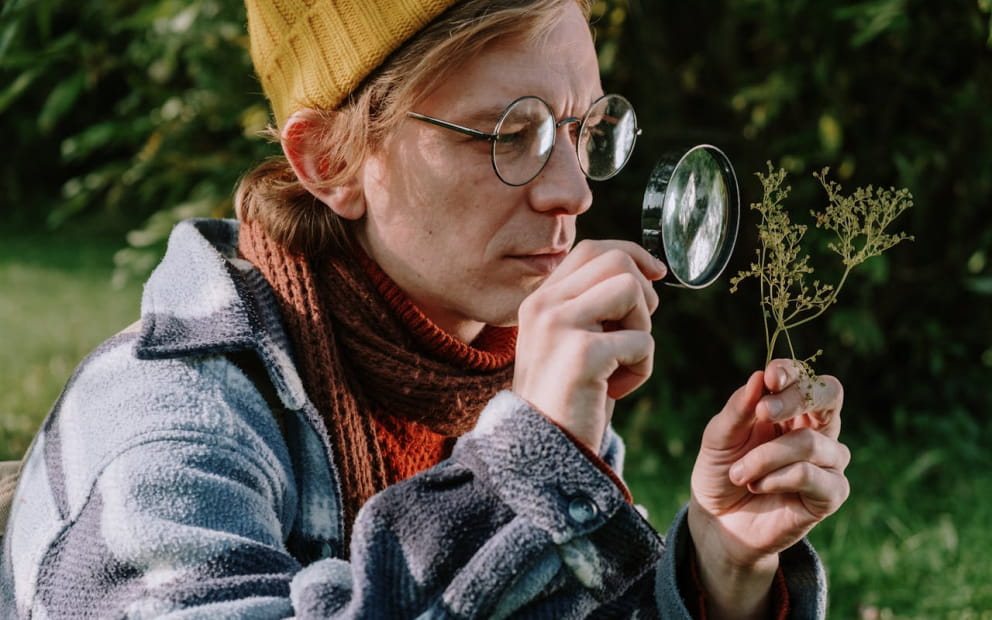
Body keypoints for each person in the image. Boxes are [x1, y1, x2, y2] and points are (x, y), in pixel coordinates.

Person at [0, 0, 851, 617]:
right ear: (329, 158)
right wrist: (524, 468)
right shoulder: (168, 413)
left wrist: (718, 569)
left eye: (584, 129)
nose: (572, 192)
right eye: (510, 134)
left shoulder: (497, 373)